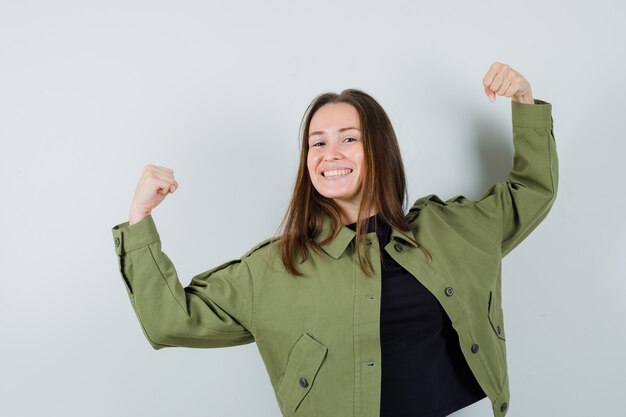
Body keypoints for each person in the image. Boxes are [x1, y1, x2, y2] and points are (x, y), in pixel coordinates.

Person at [111, 62, 558, 417]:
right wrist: (139, 220)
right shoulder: (275, 267)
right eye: (317, 143)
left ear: (379, 150)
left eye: (349, 138)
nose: (331, 155)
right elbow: (170, 321)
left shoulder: (450, 229)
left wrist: (524, 100)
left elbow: (532, 192)